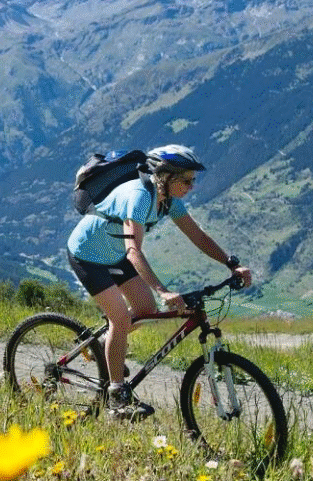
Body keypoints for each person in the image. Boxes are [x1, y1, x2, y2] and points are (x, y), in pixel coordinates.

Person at [66, 144, 253, 420]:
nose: (191, 186)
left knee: (144, 309)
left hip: (116, 255)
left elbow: (198, 237)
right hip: (88, 254)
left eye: (193, 180)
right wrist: (163, 290)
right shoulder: (139, 196)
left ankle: (104, 345)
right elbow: (134, 251)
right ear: (165, 177)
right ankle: (116, 399)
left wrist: (231, 264)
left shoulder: (169, 201)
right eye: (186, 180)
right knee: (119, 317)